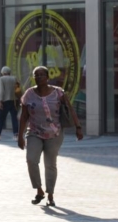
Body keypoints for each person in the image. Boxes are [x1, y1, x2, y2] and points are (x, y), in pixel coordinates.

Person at [17, 66, 83, 206]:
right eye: (36, 75)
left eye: (42, 75)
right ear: (33, 78)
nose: (39, 77)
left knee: (50, 164)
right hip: (34, 132)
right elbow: (24, 116)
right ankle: (39, 190)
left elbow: (70, 109)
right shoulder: (28, 94)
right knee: (31, 160)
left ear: (47, 77)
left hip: (54, 133)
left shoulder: (58, 93)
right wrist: (20, 136)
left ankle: (50, 195)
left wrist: (78, 127)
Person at [0, 66, 19, 141]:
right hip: (14, 100)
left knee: (1, 119)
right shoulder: (14, 78)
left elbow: (2, 91)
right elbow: (17, 89)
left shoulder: (2, 79)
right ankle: (16, 135)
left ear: (3, 72)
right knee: (14, 118)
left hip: (5, 101)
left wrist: (0, 101)